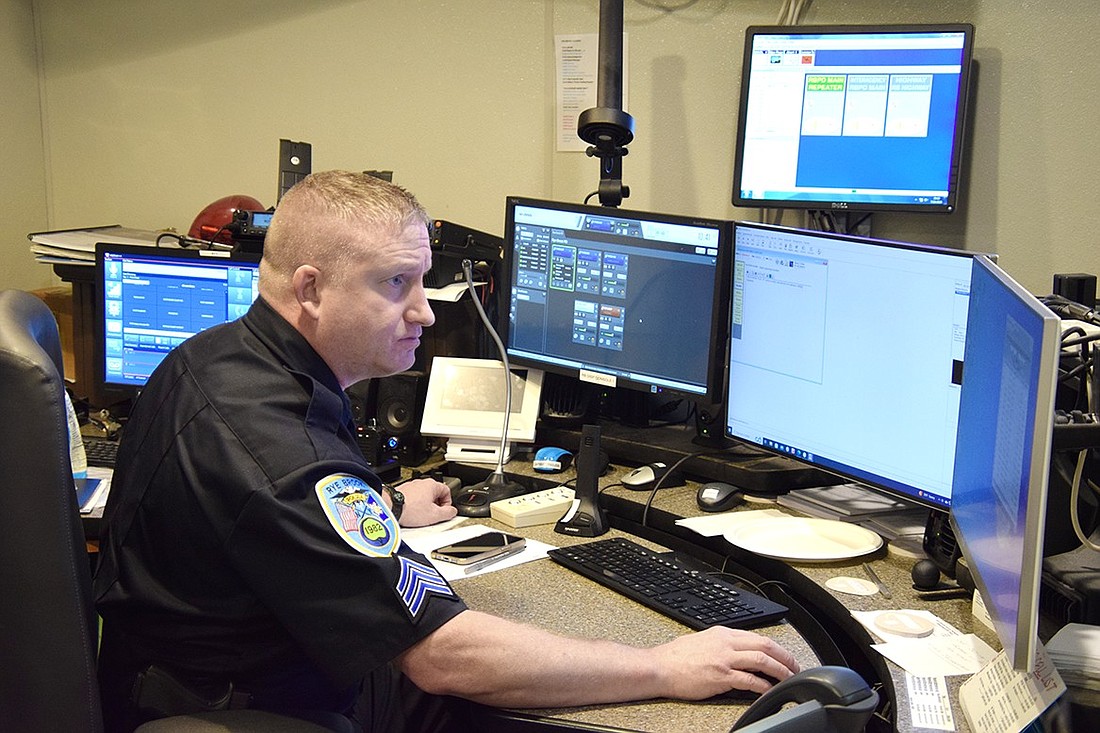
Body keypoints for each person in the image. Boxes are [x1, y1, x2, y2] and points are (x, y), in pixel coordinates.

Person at [93, 170, 800, 732]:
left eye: (423, 280)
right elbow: (442, 655)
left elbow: (257, 523)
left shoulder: (218, 357)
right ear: (309, 289)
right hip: (246, 708)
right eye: (395, 283)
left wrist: (387, 504)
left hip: (208, 668)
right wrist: (661, 666)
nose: (425, 311)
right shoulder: (284, 455)